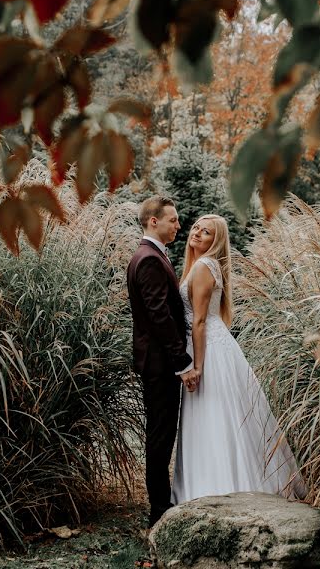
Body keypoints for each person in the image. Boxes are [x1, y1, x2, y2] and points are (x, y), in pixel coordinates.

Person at [171, 214, 307, 504]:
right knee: (214, 415)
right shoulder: (198, 265)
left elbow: (199, 322)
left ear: (215, 241)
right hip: (206, 345)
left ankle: (220, 485)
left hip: (207, 349)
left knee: (215, 414)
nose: (197, 233)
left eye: (206, 232)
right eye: (196, 227)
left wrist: (196, 366)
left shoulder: (205, 266)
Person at [126, 196, 199, 528]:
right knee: (160, 435)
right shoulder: (150, 260)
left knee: (161, 433)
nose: (179, 225)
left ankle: (161, 503)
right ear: (153, 221)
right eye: (173, 219)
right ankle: (159, 510)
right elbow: (159, 317)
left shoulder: (150, 255)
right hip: (159, 363)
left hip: (155, 361)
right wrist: (182, 362)